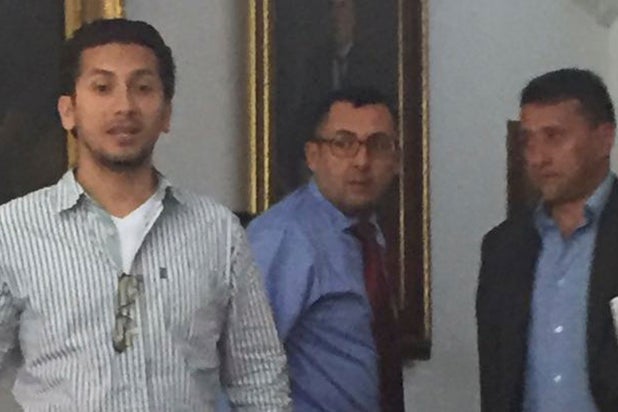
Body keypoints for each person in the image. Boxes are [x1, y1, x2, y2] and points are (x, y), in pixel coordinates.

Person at [0, 18, 291, 411]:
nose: (124, 106)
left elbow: (259, 382)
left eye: (143, 88)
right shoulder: (13, 232)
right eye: (102, 88)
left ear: (166, 112)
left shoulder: (217, 232)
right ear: (68, 111)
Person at [248, 87, 404, 411]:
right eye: (343, 144)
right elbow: (241, 367)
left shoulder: (366, 234)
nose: (362, 161)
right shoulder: (283, 238)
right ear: (313, 156)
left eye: (378, 145)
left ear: (396, 160)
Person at [476, 68, 618, 412]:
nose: (538, 157)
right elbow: (496, 376)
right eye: (528, 140)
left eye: (554, 137)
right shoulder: (503, 248)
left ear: (604, 139)